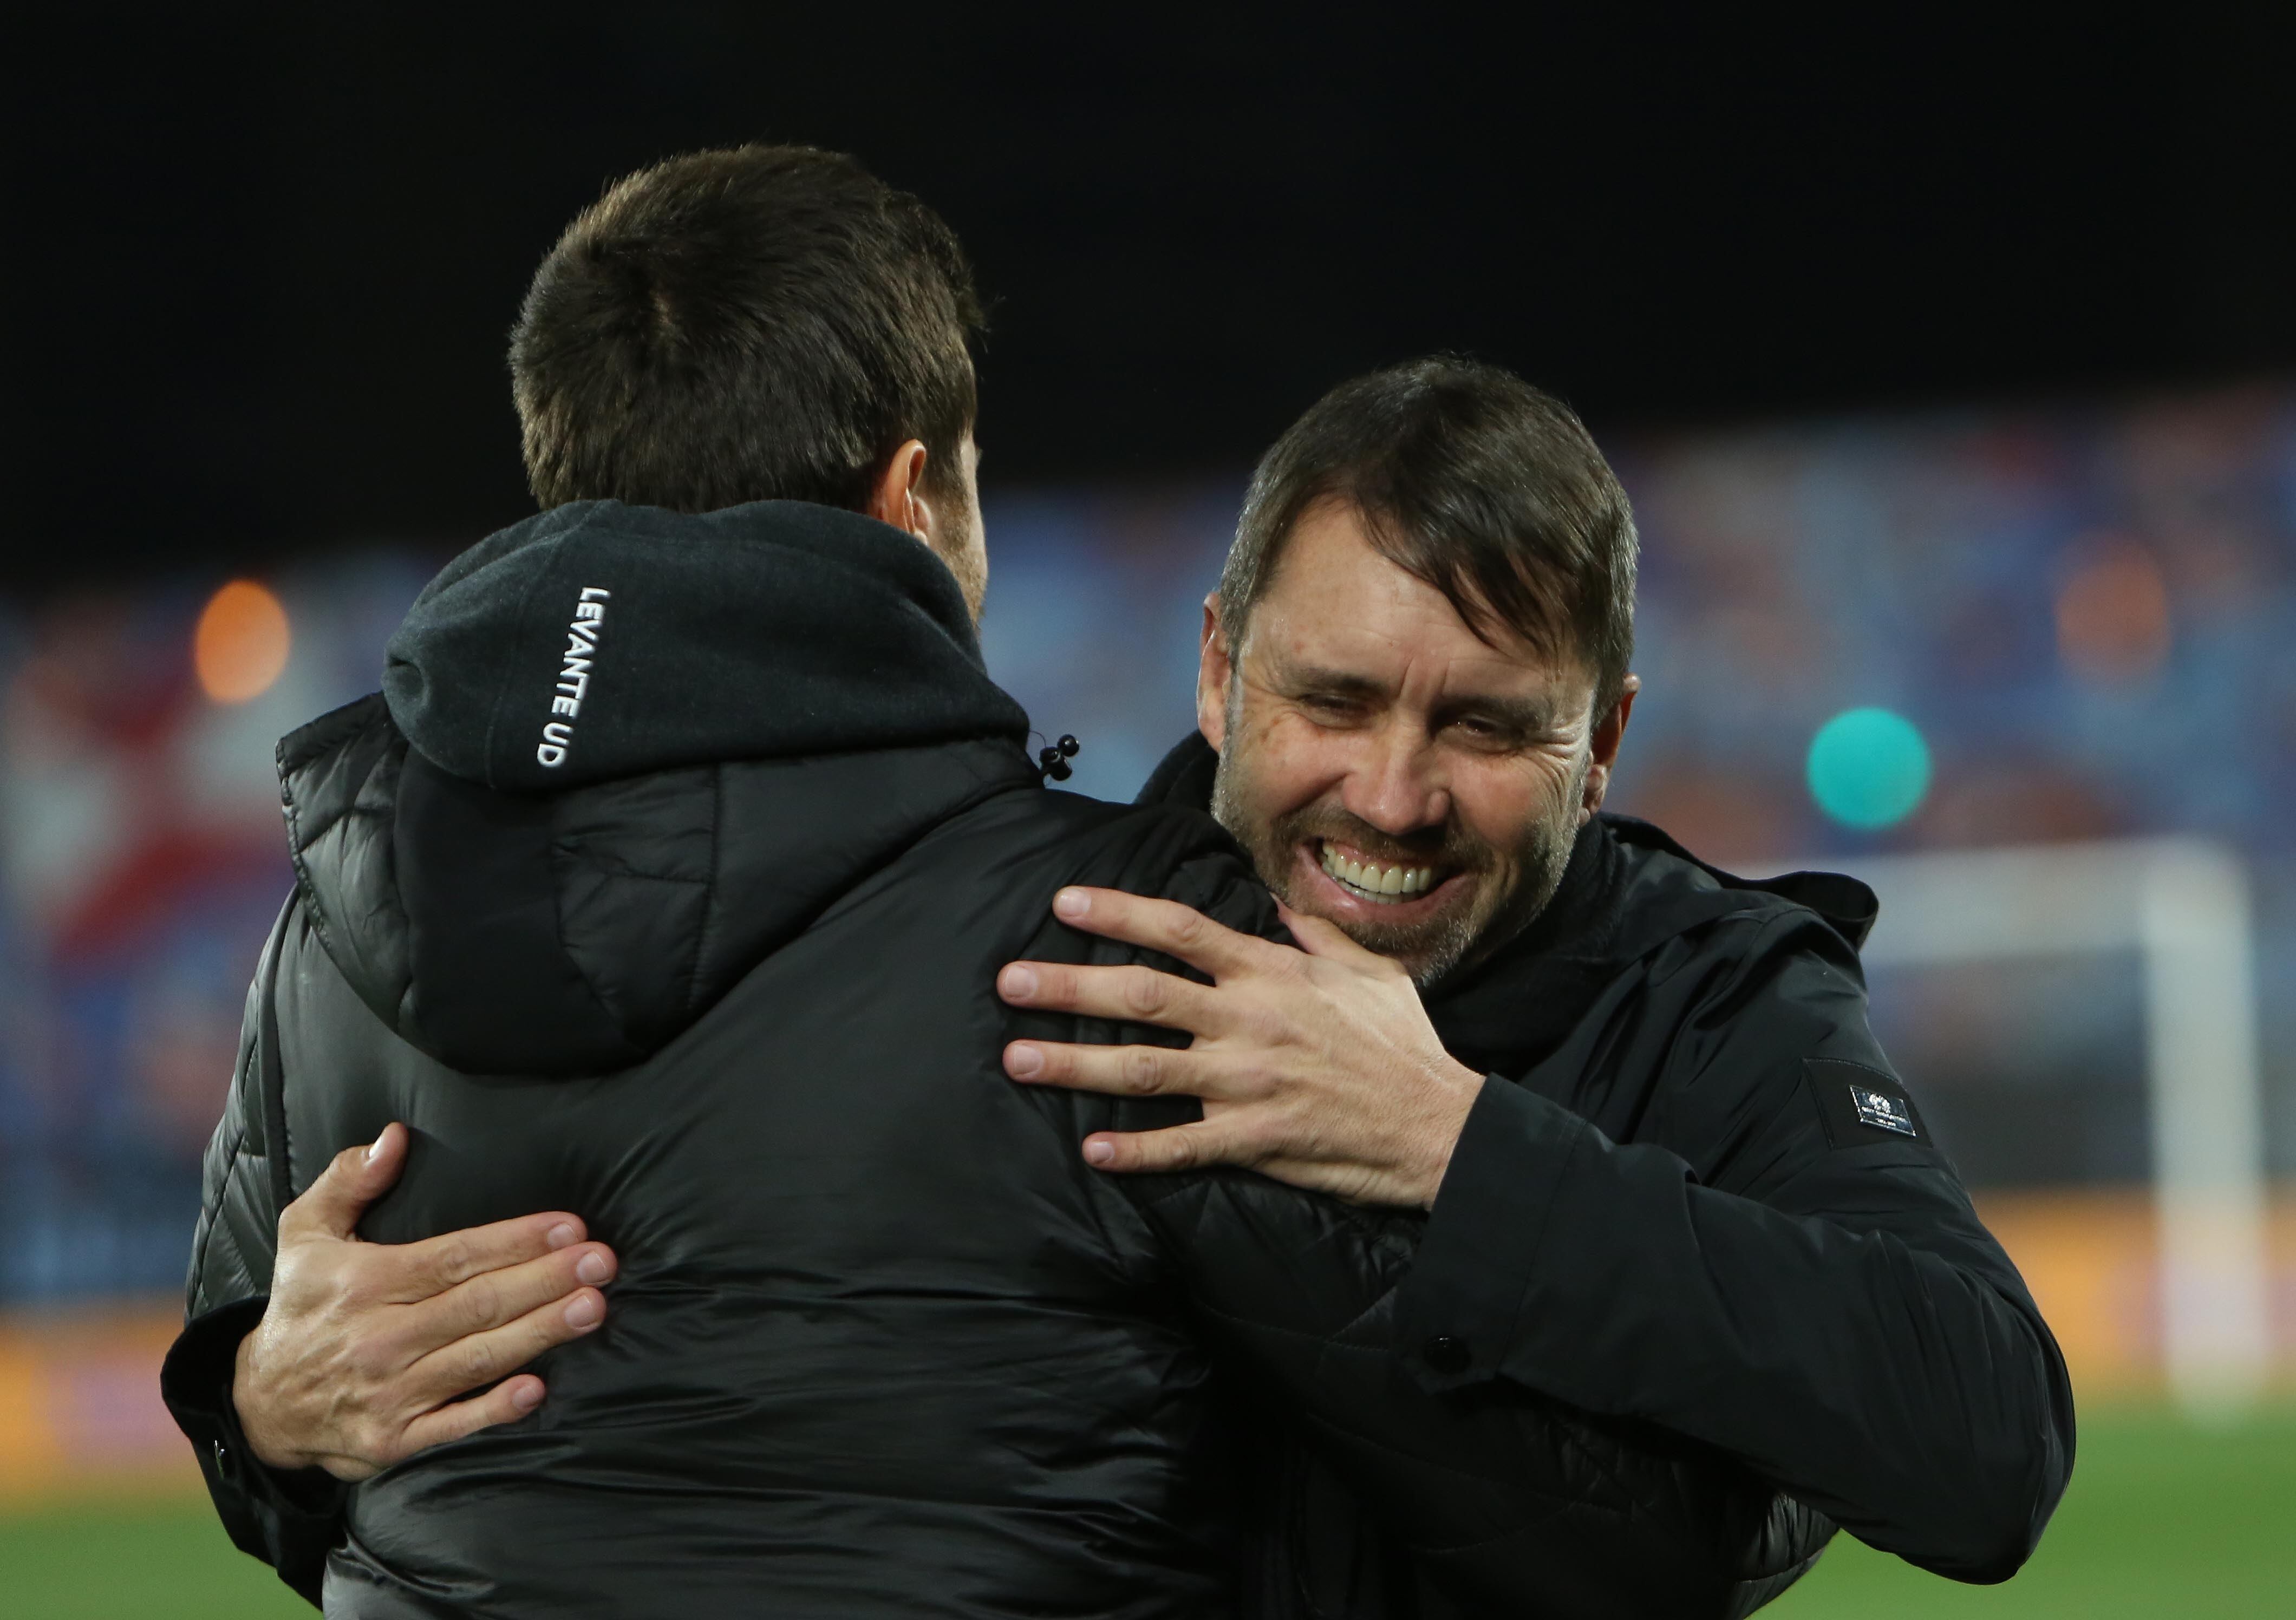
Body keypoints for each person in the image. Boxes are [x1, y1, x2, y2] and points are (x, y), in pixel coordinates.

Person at [161, 148, 1822, 1618]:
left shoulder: (329, 934)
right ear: (911, 494)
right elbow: (1602, 1537)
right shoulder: (1122, 945)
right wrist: (1812, 1429)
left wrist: (250, 1406)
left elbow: (287, 1469)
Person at [994, 357, 2078, 1582]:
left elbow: (1988, 1449)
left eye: (1486, 724)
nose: (1392, 798)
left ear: (1601, 740)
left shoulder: (1712, 996)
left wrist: (1456, 1147)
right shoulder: (1039, 942)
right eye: (1333, 701)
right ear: (1217, 669)